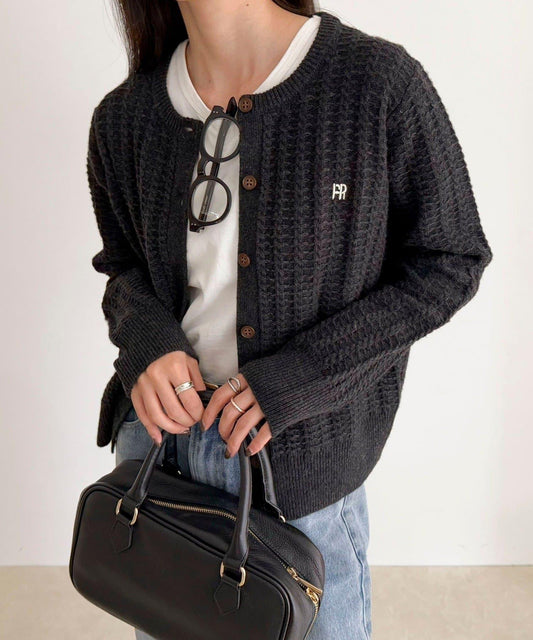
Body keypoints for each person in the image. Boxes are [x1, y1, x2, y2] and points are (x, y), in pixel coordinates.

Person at [87, 1, 493, 638]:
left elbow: (450, 259)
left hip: (298, 474)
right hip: (157, 462)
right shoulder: (125, 116)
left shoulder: (374, 85)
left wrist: (303, 376)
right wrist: (148, 343)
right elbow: (123, 267)